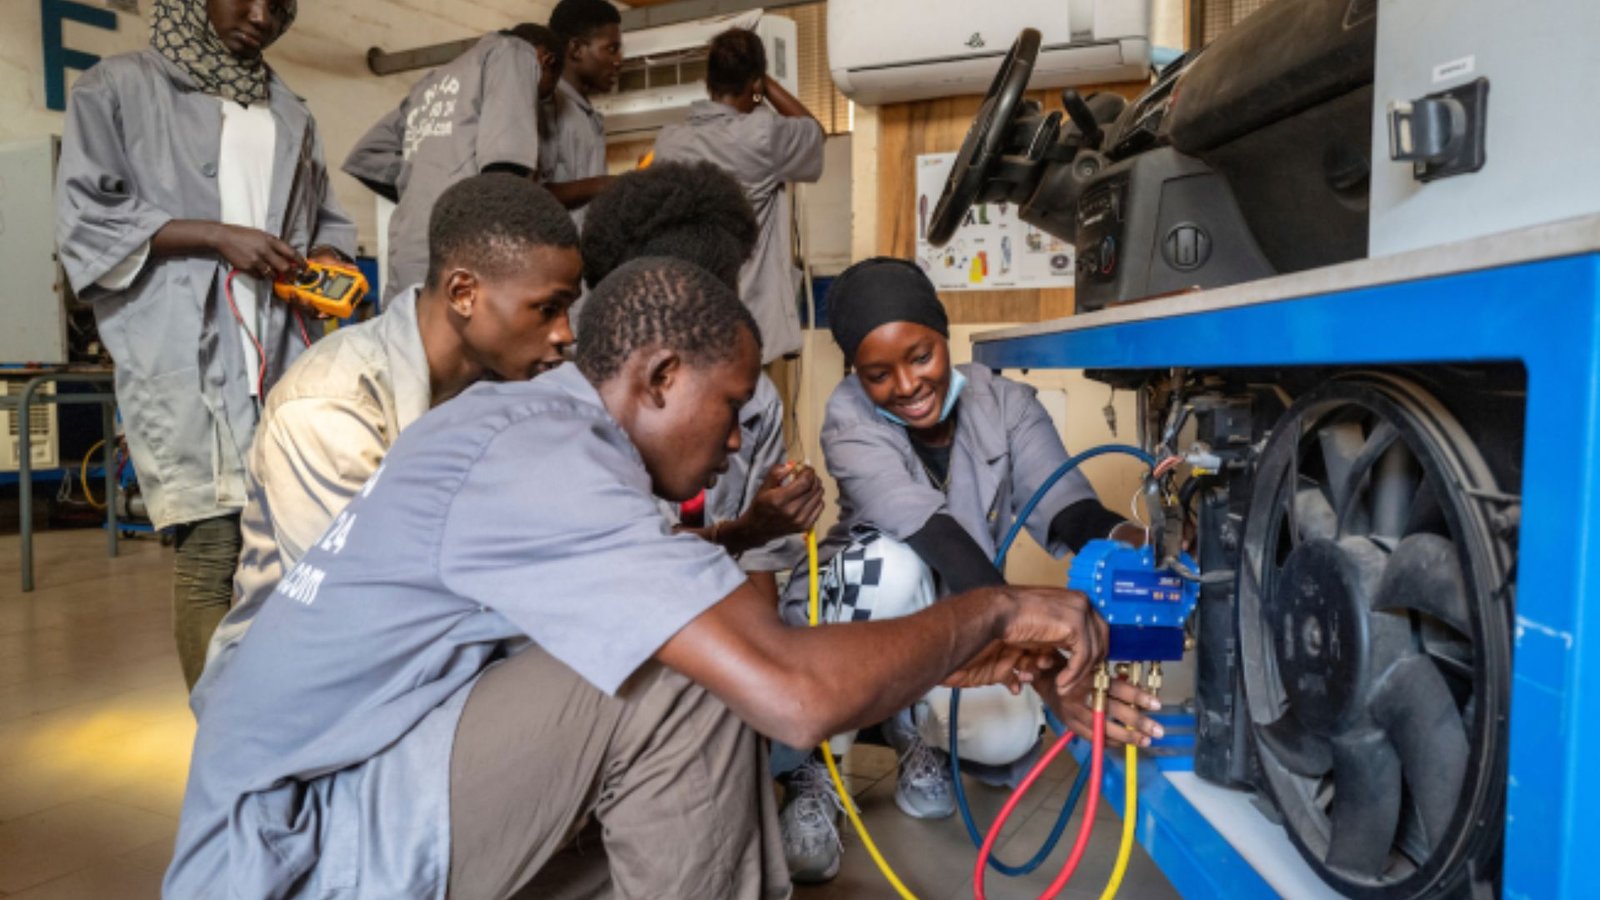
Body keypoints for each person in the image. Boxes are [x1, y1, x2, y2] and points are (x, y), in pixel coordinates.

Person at [166, 256, 1110, 899]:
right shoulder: (544, 455)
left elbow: (735, 623)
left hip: (358, 774)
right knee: (690, 683)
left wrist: (932, 663)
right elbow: (785, 689)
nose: (740, 436)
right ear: (659, 377)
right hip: (294, 850)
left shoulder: (533, 430)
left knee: (707, 640)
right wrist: (996, 610)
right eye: (732, 405)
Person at [771, 257, 1164, 883]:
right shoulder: (848, 418)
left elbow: (1069, 510)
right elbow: (936, 536)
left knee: (1007, 734)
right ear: (855, 374)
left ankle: (910, 731)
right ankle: (818, 766)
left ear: (943, 334)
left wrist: (1143, 542)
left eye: (920, 356)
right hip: (856, 613)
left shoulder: (1007, 403)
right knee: (896, 569)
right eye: (878, 374)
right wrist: (1046, 669)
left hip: (959, 615)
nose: (906, 385)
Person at [54, 0, 355, 690]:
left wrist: (328, 256)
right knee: (212, 547)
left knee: (286, 546)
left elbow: (326, 213)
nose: (261, 16)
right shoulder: (117, 86)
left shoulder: (289, 110)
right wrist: (216, 235)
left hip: (278, 351)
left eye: (280, 7)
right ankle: (221, 741)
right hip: (181, 354)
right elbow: (86, 219)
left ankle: (271, 712)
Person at [213, 174, 581, 666]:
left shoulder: (516, 387)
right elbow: (361, 603)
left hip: (433, 653)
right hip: (311, 684)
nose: (565, 334)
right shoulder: (327, 403)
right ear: (463, 292)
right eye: (548, 309)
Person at [581, 161, 822, 601]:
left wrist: (753, 534)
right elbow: (632, 573)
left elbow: (757, 574)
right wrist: (744, 531)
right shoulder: (577, 424)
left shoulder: (756, 401)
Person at [343, 23, 565, 301]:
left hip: (408, 255)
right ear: (546, 61)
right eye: (543, 93)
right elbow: (506, 168)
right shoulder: (515, 52)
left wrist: (421, 185)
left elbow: (367, 155)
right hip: (463, 253)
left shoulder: (433, 81)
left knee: (408, 338)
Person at [652, 27, 825, 365]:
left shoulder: (669, 143)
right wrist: (766, 83)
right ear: (755, 84)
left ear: (708, 82)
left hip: (688, 316)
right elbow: (815, 133)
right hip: (749, 318)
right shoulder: (762, 135)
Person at [540, 0, 623, 226]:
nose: (618, 61)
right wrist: (604, 185)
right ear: (576, 49)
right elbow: (530, 194)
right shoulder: (547, 105)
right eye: (611, 49)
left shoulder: (588, 116)